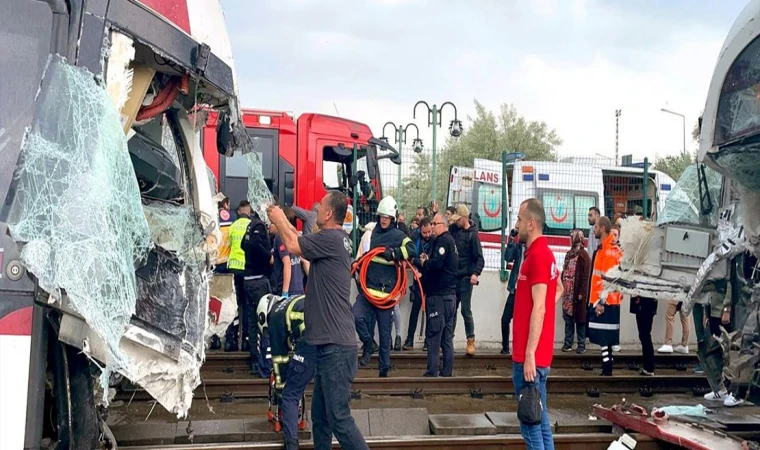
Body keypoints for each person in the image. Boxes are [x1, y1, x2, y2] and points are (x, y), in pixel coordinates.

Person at [267, 191, 369, 450]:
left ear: (328, 214)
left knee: (339, 418)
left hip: (336, 348)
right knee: (321, 418)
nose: (315, 209)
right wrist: (285, 223)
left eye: (320, 205)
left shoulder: (332, 238)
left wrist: (279, 217)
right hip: (328, 346)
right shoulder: (335, 241)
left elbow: (292, 245)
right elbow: (300, 240)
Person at [512, 198, 561, 450]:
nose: (517, 224)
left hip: (529, 359)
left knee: (530, 426)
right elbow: (558, 288)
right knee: (540, 423)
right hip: (535, 356)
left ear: (531, 223)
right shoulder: (542, 254)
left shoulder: (539, 255)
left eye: (520, 219)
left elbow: (540, 306)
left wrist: (530, 352)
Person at [353, 196, 416, 375]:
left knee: (385, 333)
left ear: (393, 219)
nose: (384, 220)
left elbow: (412, 250)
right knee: (355, 316)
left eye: (387, 217)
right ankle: (368, 343)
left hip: (385, 294)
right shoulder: (372, 233)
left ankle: (384, 370)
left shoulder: (398, 236)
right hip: (368, 291)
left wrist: (395, 253)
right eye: (382, 216)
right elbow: (364, 256)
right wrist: (357, 264)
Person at [257, 294, 314, 450]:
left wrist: (280, 390)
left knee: (290, 394)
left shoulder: (274, 317)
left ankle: (291, 445)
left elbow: (279, 360)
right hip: (333, 333)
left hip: (312, 337)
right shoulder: (291, 301)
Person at [225, 200, 273, 377]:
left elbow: (241, 245)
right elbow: (255, 247)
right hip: (258, 280)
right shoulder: (258, 226)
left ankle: (254, 359)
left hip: (242, 275)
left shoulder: (238, 226)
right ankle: (263, 365)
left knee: (251, 319)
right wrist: (269, 256)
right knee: (264, 322)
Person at [419, 213, 458, 377]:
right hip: (450, 296)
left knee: (434, 336)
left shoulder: (443, 241)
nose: (432, 227)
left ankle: (432, 371)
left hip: (439, 297)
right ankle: (447, 371)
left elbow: (437, 264)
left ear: (443, 225)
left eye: (435, 224)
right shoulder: (451, 242)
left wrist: (425, 262)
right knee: (447, 337)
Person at [587, 216, 623, 376]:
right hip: (607, 300)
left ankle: (607, 367)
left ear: (602, 228)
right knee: (605, 338)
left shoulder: (607, 251)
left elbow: (607, 279)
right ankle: (607, 365)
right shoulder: (606, 249)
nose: (593, 230)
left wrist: (600, 302)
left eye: (595, 227)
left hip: (605, 301)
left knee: (604, 337)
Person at [449, 204, 485, 356]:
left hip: (466, 278)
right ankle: (448, 340)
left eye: (458, 219)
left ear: (464, 218)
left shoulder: (473, 236)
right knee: (451, 311)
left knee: (465, 310)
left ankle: (470, 340)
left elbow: (480, 259)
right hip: (454, 277)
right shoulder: (454, 230)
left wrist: (476, 273)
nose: (456, 221)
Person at [404, 217, 435, 350]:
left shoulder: (435, 240)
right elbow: (411, 257)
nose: (427, 235)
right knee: (415, 309)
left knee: (430, 311)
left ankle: (428, 341)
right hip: (418, 279)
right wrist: (418, 264)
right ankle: (409, 340)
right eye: (424, 233)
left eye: (429, 232)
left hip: (431, 278)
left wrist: (426, 261)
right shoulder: (415, 238)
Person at [560, 229, 590, 354]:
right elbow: (564, 270)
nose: (570, 240)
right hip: (567, 293)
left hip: (577, 294)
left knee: (580, 319)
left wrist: (582, 293)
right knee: (568, 318)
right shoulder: (568, 254)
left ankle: (581, 344)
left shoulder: (584, 256)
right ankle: (568, 343)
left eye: (572, 238)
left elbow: (585, 277)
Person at [270, 208, 308, 297]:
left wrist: (285, 292)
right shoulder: (294, 235)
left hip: (288, 289)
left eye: (272, 222)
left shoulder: (280, 237)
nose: (269, 225)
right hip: (298, 287)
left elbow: (287, 263)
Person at [501, 228, 523, 355]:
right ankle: (505, 348)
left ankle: (520, 349)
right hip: (515, 290)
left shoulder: (532, 249)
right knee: (505, 319)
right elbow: (508, 257)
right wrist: (511, 240)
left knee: (521, 323)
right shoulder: (518, 247)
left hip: (526, 291)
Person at [215, 195, 233, 274]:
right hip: (227, 261)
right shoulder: (232, 216)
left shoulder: (212, 216)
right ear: (225, 204)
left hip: (214, 261)